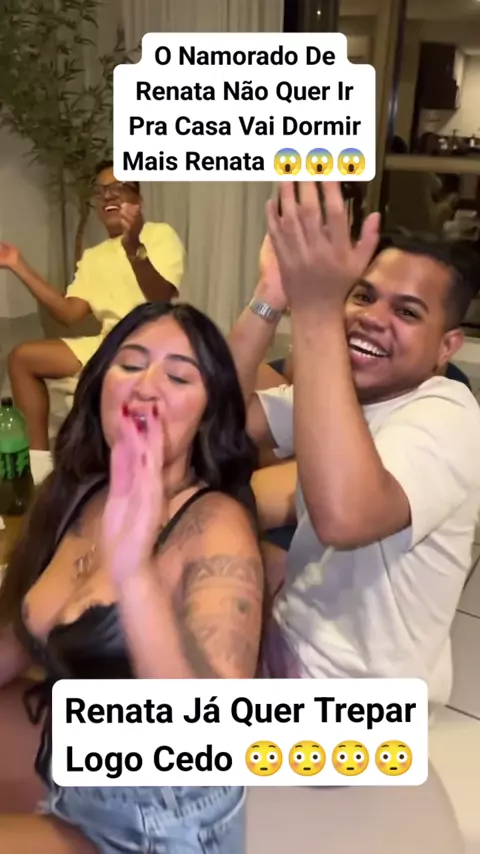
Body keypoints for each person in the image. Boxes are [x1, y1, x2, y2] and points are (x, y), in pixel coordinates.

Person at [0, 301, 263, 852]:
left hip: (161, 826)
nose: (146, 386)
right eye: (130, 364)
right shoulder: (78, 493)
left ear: (207, 412)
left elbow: (213, 734)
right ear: (100, 385)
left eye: (178, 377)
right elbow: (18, 640)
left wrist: (134, 570)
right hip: (73, 773)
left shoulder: (217, 526)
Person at [229, 182, 480, 706]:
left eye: (407, 313)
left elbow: (345, 518)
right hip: (289, 642)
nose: (371, 317)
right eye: (363, 296)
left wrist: (316, 310)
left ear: (446, 346)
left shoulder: (450, 414)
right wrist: (270, 294)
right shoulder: (341, 394)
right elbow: (216, 415)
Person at [0, 161, 185, 452]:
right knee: (22, 358)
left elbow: (159, 299)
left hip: (150, 341)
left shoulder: (159, 235)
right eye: (101, 191)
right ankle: (38, 459)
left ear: (138, 199)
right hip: (107, 342)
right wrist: (18, 265)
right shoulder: (94, 256)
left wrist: (133, 244)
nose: (108, 195)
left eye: (118, 188)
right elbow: (69, 314)